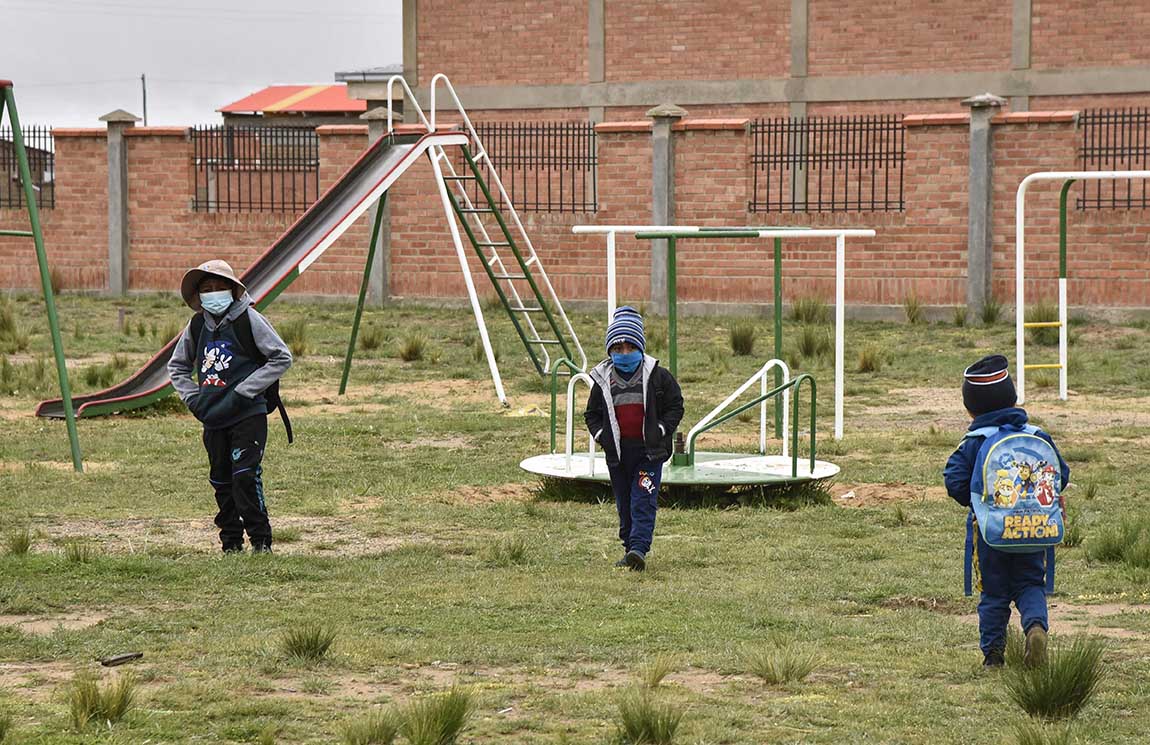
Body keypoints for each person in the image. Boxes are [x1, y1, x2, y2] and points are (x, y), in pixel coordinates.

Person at [943, 354, 1070, 667]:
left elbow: (954, 480)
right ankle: (1036, 627)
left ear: (970, 408)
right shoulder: (1037, 435)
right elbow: (1061, 475)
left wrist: (978, 503)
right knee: (1030, 584)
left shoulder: (974, 441)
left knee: (995, 592)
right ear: (1012, 397)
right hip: (1035, 531)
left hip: (992, 532)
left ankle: (993, 656)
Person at [168, 260, 292, 554]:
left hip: (248, 414)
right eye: (206, 290)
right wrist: (193, 399)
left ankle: (261, 540)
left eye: (219, 288)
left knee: (246, 475)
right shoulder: (197, 325)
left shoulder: (249, 320)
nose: (213, 294)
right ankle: (231, 542)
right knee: (221, 480)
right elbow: (177, 366)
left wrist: (244, 391)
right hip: (212, 416)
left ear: (233, 290)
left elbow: (281, 357)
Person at [584, 306, 683, 571]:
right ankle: (629, 548)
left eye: (630, 348)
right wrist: (602, 436)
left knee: (643, 498)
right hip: (617, 454)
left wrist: (661, 430)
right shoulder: (603, 380)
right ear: (609, 351)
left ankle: (639, 547)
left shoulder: (658, 377)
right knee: (624, 501)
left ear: (640, 347)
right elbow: (591, 414)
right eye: (618, 349)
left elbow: (676, 406)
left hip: (649, 453)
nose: (624, 354)